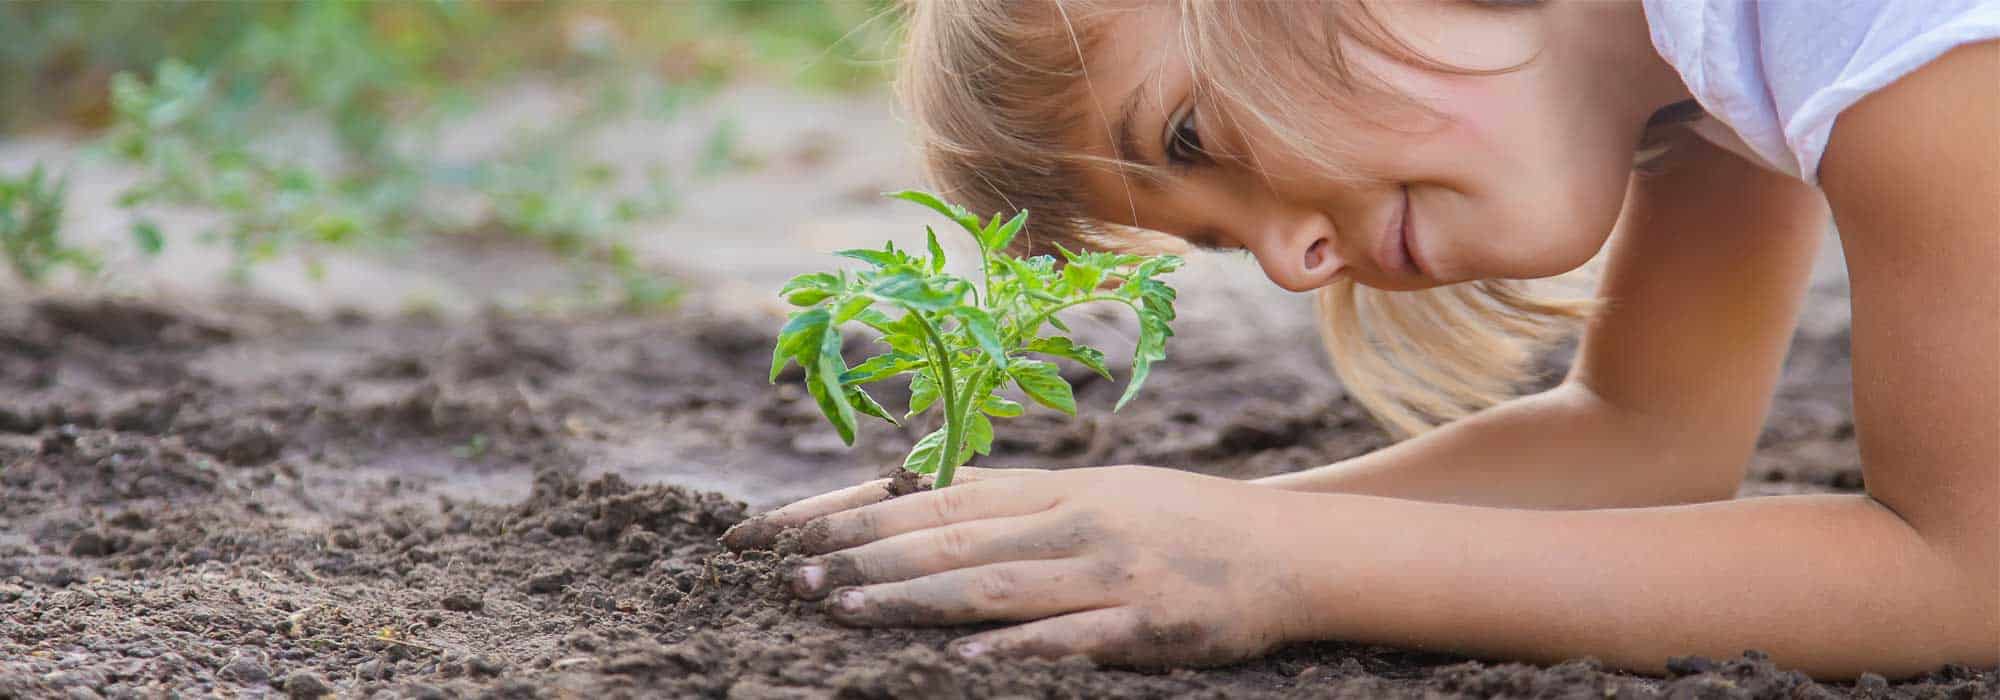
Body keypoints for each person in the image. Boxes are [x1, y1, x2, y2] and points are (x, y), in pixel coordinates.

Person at [723, 0, 1998, 679]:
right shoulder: (1694, 72)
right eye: (1223, 239)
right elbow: (1645, 442)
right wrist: (1167, 537)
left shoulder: (1876, 26)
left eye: (1185, 138)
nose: (1287, 261)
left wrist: (1288, 561)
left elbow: (1962, 572)